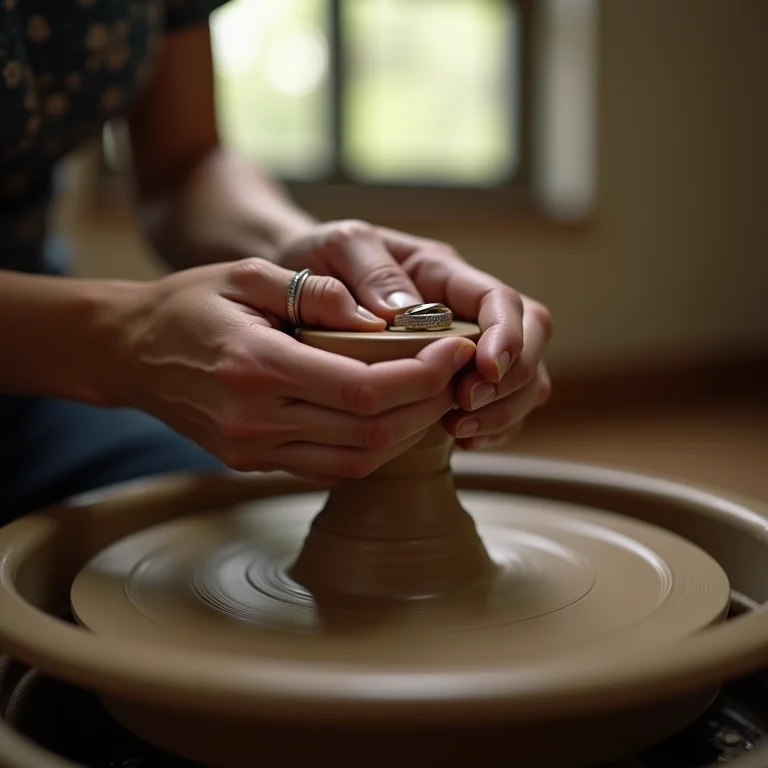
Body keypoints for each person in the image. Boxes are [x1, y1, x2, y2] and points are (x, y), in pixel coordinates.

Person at [0, 0, 553, 520]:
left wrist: (300, 248)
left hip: (36, 400)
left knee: (200, 509)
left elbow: (183, 165)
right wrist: (121, 338)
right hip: (49, 353)